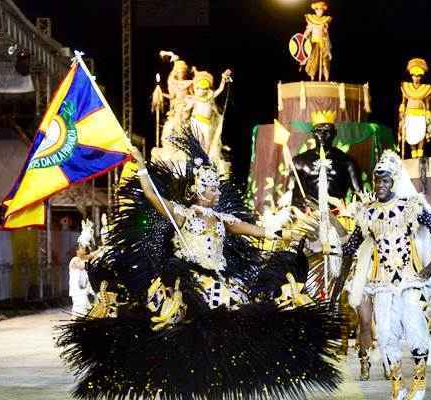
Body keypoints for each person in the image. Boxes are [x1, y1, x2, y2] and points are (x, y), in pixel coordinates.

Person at [57, 133, 343, 400]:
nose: (217, 191)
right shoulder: (183, 214)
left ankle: (221, 378)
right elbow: (154, 197)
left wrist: (284, 235)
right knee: (180, 330)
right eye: (211, 187)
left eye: (217, 187)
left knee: (237, 323)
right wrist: (142, 166)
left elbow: (256, 230)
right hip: (189, 281)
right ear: (197, 190)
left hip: (222, 280)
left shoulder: (222, 219)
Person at [342, 150, 431, 400]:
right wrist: (324, 245)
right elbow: (351, 246)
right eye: (377, 180)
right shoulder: (366, 213)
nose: (380, 185)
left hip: (410, 280)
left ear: (394, 181)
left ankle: (420, 382)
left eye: (385, 180)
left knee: (414, 327)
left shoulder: (409, 207)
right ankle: (397, 386)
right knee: (385, 336)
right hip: (381, 284)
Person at [291, 110, 361, 208]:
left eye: (327, 131)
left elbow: (358, 194)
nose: (322, 135)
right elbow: (292, 194)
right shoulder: (299, 161)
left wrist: (349, 213)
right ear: (313, 134)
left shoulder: (346, 161)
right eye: (318, 131)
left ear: (334, 133)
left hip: (338, 215)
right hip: (309, 216)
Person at [398, 58, 431, 158]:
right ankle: (413, 153)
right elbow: (403, 101)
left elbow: (427, 103)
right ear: (411, 76)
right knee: (410, 134)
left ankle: (420, 152)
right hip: (409, 114)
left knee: (421, 132)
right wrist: (401, 111)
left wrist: (428, 114)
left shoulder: (426, 88)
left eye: (418, 76)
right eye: (414, 76)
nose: (416, 78)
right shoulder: (406, 86)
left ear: (421, 76)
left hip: (421, 114)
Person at [303, 1, 332, 81]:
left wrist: (325, 32)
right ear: (316, 10)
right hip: (314, 43)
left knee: (325, 62)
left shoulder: (324, 20)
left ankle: (326, 79)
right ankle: (312, 78)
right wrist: (304, 36)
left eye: (322, 10)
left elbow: (326, 34)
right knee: (313, 60)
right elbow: (308, 30)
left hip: (323, 43)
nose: (320, 12)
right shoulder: (312, 20)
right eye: (319, 10)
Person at [68, 245, 95, 316]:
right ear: (77, 251)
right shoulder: (75, 259)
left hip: (82, 290)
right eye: (82, 248)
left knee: (84, 310)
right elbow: (82, 266)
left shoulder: (84, 259)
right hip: (77, 290)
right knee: (79, 310)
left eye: (84, 248)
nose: (84, 249)